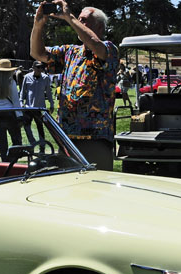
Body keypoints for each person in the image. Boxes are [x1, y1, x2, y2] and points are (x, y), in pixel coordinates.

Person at [31, 1, 119, 170]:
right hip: (67, 137)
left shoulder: (109, 49)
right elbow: (37, 53)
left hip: (96, 140)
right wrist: (38, 25)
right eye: (79, 19)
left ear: (100, 27)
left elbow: (95, 45)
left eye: (84, 20)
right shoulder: (70, 52)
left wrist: (70, 17)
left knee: (97, 190)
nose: (79, 23)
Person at [0, 59, 23, 162]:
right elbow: (16, 101)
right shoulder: (11, 83)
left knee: (2, 142)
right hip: (10, 113)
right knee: (16, 140)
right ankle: (14, 160)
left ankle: (5, 162)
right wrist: (19, 115)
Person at [19, 60, 54, 150]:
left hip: (40, 107)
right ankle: (32, 143)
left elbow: (49, 92)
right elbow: (23, 91)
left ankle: (42, 147)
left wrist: (52, 103)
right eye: (38, 67)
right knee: (26, 126)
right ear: (33, 68)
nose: (40, 69)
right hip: (28, 107)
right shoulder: (27, 77)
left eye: (41, 67)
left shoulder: (46, 78)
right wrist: (21, 102)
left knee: (40, 127)